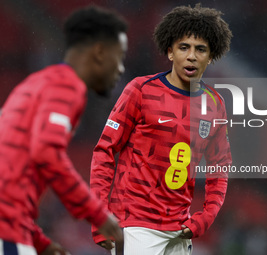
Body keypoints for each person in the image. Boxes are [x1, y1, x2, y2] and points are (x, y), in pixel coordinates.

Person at [90, 4, 232, 255]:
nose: (191, 56)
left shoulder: (215, 104)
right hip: (134, 224)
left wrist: (207, 216)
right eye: (183, 47)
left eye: (201, 49)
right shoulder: (141, 91)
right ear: (170, 52)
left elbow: (220, 167)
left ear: (211, 57)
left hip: (180, 229)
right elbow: (104, 152)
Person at [0, 5, 128, 255]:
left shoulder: (33, 85)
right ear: (100, 52)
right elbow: (46, 153)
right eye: (119, 56)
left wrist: (41, 244)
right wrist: (98, 215)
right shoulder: (67, 87)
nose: (121, 69)